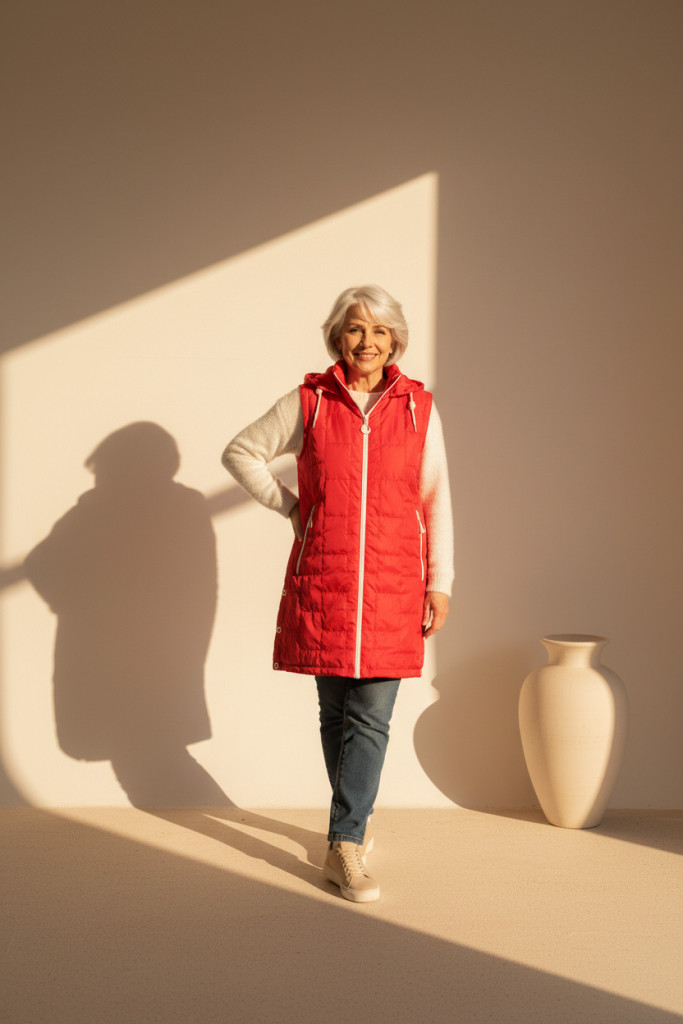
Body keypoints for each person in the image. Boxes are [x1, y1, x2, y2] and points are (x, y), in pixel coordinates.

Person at [222, 285, 453, 902]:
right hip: (325, 577)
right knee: (335, 715)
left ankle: (345, 842)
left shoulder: (418, 409)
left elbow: (436, 499)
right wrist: (292, 507)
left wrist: (441, 581)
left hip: (395, 582)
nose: (367, 342)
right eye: (355, 329)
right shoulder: (311, 403)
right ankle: (352, 824)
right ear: (337, 337)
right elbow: (241, 452)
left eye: (379, 330)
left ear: (395, 339)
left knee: (371, 717)